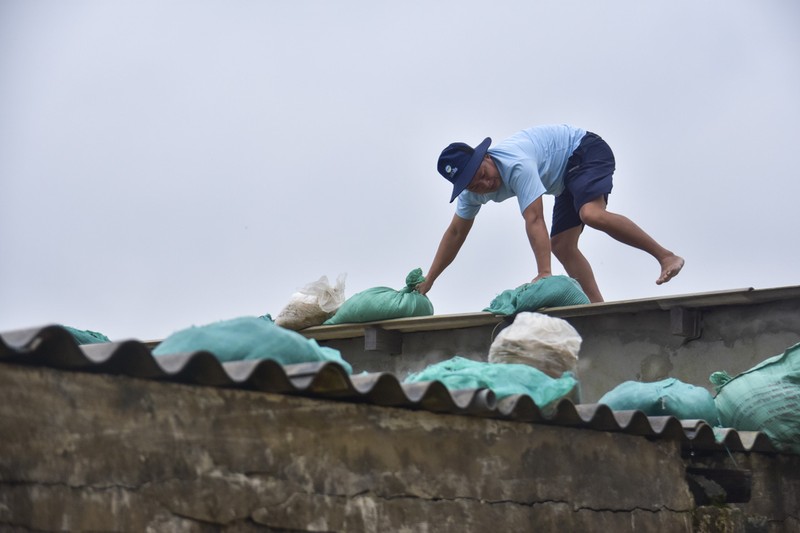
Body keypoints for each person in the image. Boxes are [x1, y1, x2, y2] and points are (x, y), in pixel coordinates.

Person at [415, 124, 684, 303]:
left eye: (483, 176)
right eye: (475, 185)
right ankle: (597, 308)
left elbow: (534, 218)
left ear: (486, 157)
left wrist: (544, 272)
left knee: (591, 213)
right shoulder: (471, 192)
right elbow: (455, 232)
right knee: (562, 245)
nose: (484, 186)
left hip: (583, 151)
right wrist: (429, 281)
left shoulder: (515, 164)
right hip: (565, 179)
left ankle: (666, 256)